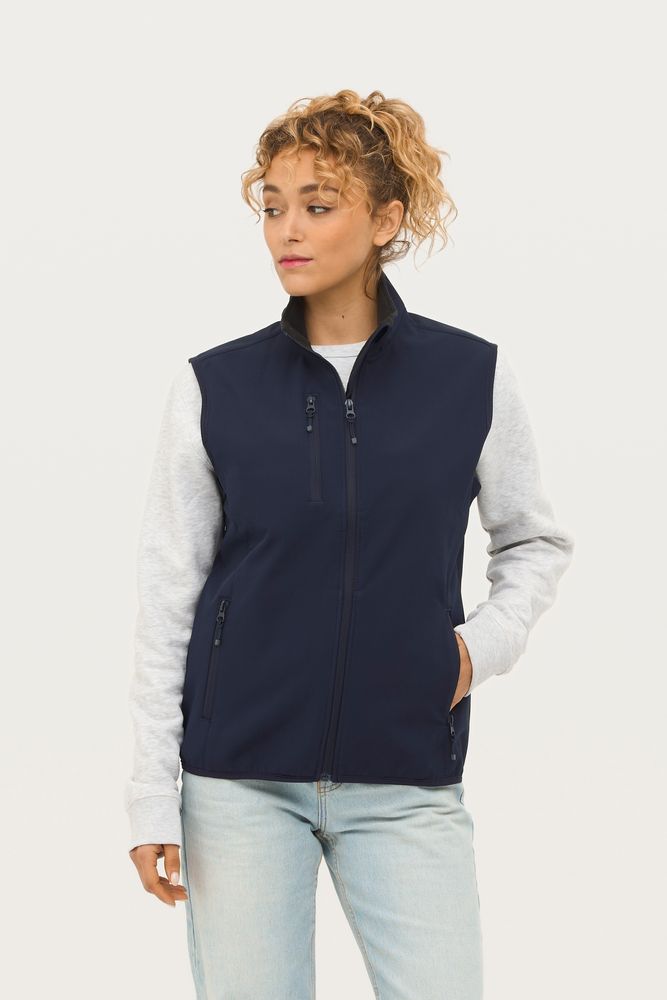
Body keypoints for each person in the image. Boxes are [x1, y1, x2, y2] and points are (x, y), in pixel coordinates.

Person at [125, 89, 574, 999]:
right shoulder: (214, 386)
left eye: (318, 205)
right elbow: (170, 594)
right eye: (273, 206)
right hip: (238, 782)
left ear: (385, 220)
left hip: (406, 773)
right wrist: (148, 795)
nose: (287, 230)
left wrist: (472, 653)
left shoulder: (469, 376)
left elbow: (532, 540)